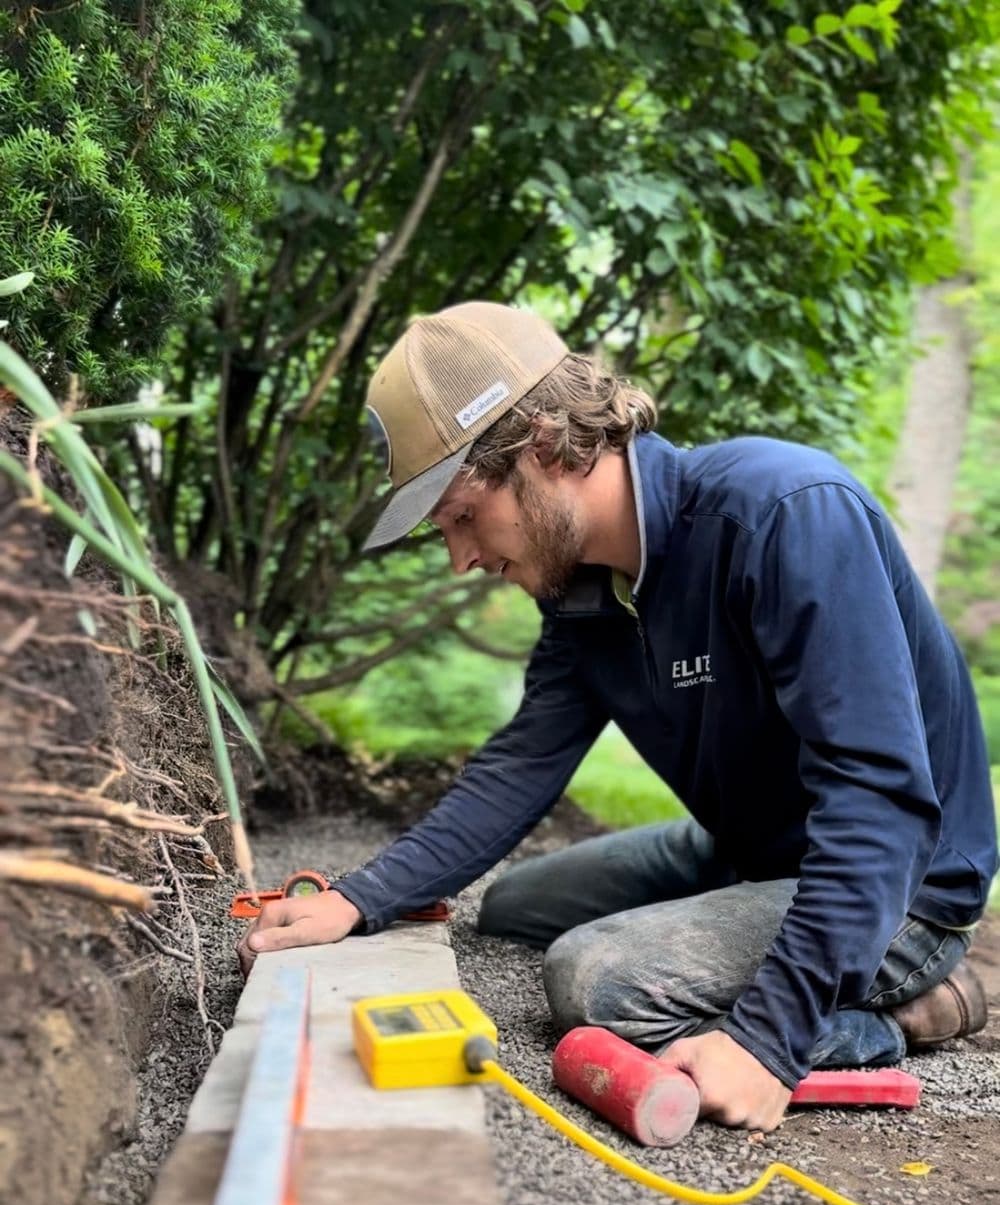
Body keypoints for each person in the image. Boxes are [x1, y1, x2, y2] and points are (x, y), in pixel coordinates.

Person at [239, 301, 997, 1132]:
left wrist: (770, 1038)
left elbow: (879, 797)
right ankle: (790, 958)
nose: (460, 558)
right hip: (754, 848)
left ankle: (914, 1006)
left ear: (541, 444)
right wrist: (358, 898)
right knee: (517, 905)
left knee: (594, 980)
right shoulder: (582, 592)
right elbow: (521, 764)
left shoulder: (783, 514)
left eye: (459, 515)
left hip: (901, 884)